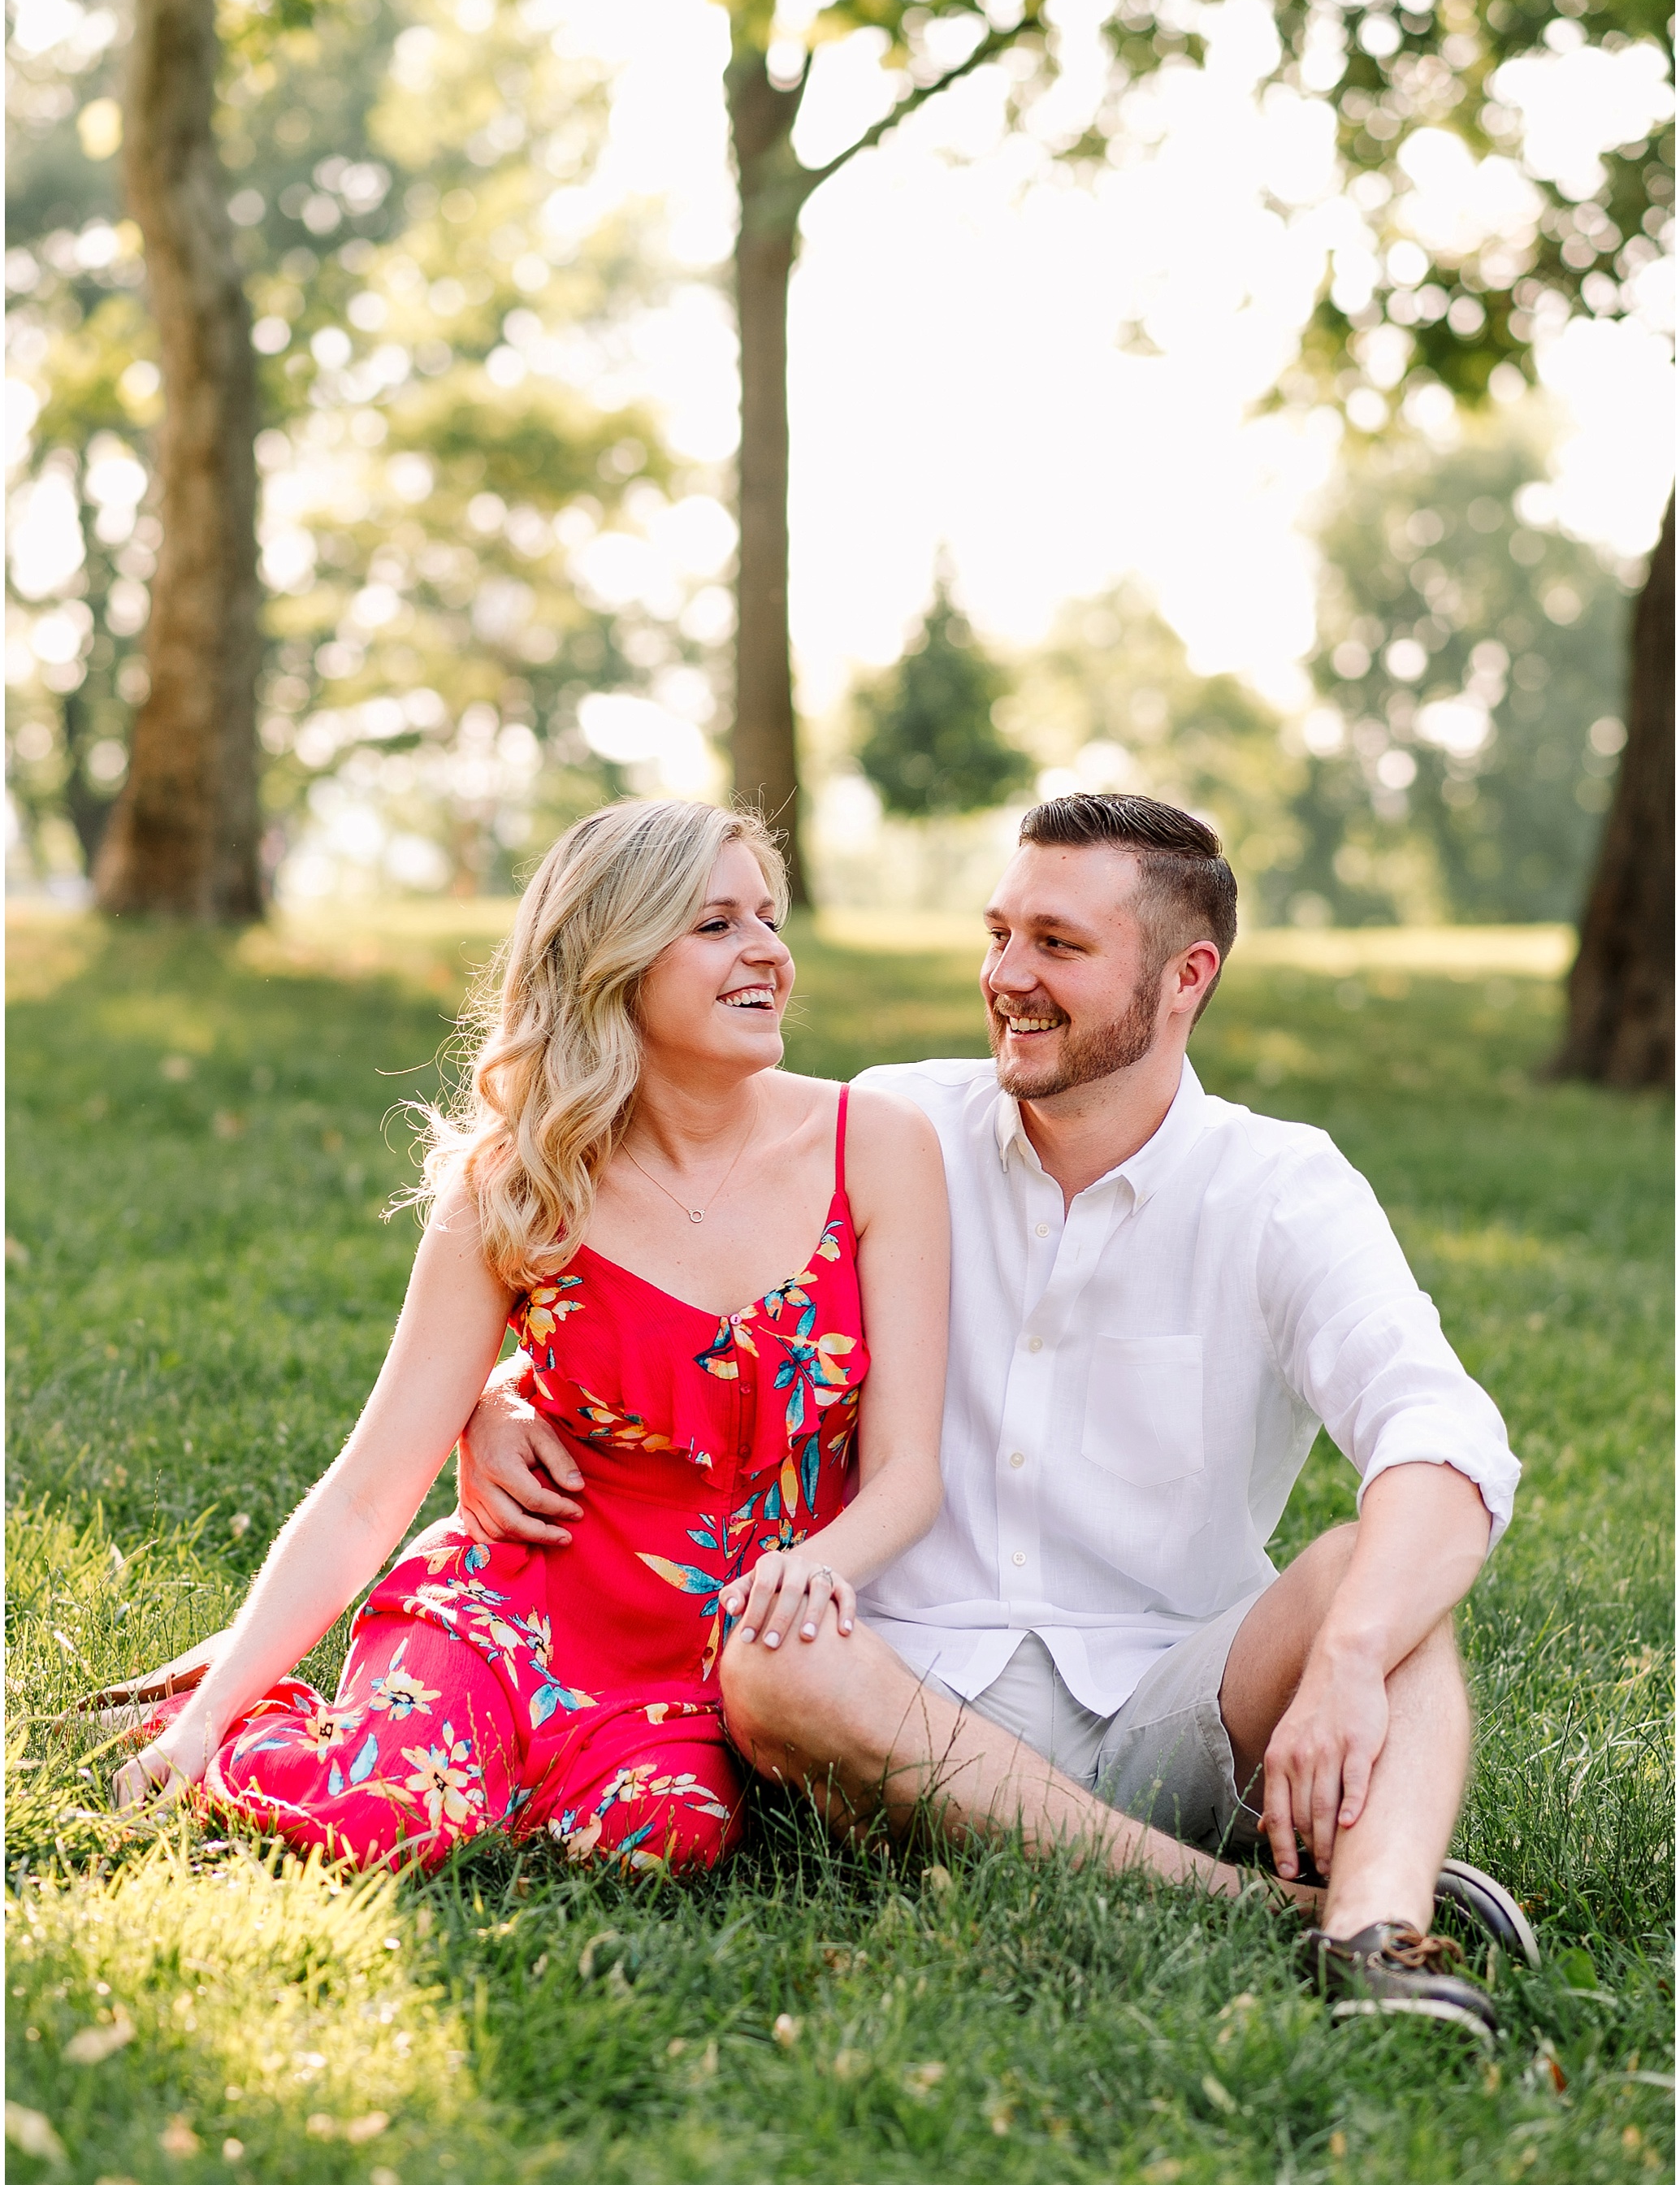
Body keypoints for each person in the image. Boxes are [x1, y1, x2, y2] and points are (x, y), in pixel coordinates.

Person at [460, 794, 1528, 2033]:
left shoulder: (1279, 1188)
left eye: (1059, 946)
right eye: (1000, 932)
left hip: (1177, 1703)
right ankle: (1257, 1909)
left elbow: (1444, 1441)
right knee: (766, 1656)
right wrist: (500, 1396)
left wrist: (1344, 1655)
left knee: (1384, 1582)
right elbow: (689, 1299)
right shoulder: (893, 1125)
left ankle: (1379, 1939)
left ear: (1187, 977)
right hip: (897, 1693)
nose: (1007, 976)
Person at [111, 800, 955, 1873]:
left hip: (708, 1661)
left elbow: (908, 1474)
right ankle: (231, 1708)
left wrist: (815, 1572)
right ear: (616, 959)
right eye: (716, 925)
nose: (768, 954)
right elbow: (373, 1484)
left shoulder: (873, 1147)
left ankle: (449, 1757)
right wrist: (202, 1726)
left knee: (659, 1842)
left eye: (770, 919)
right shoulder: (516, 1186)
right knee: (394, 1821)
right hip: (516, 1605)